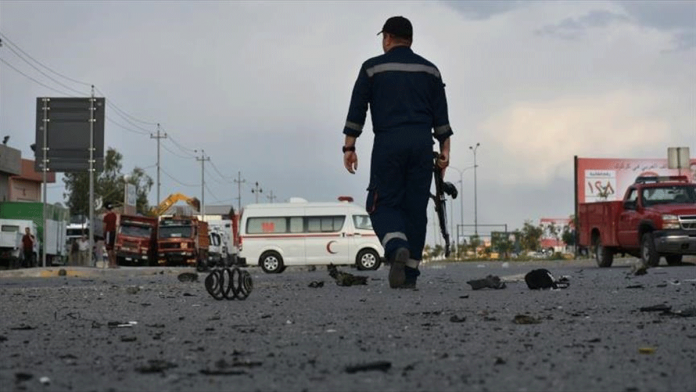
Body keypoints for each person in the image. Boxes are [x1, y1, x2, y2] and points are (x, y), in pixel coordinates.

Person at [342, 16, 453, 289]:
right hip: (421, 145)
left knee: (382, 203)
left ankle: (396, 246)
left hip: (388, 143)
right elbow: (442, 118)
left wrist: (349, 146)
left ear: (388, 38)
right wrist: (444, 154)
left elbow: (358, 108)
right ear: (411, 40)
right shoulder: (431, 71)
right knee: (415, 208)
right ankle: (410, 274)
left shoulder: (372, 69)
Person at [103, 203, 118, 268]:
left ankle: (110, 263)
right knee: (112, 248)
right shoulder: (114, 216)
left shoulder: (106, 217)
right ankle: (114, 263)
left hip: (108, 232)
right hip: (113, 232)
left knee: (108, 249)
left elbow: (104, 226)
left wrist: (104, 234)